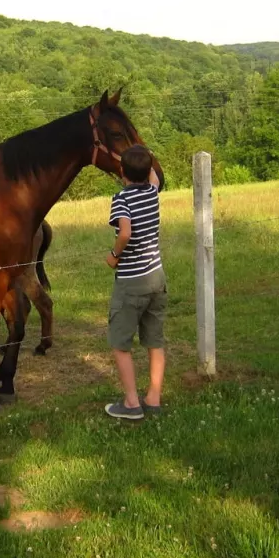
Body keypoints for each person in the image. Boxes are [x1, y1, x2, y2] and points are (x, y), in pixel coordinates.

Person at [103, 144, 165, 420]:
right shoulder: (153, 192)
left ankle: (131, 404)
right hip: (156, 276)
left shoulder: (121, 199)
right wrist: (149, 155)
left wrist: (114, 255)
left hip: (131, 280)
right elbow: (154, 176)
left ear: (121, 172)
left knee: (120, 344)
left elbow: (125, 232)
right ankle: (153, 398)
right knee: (154, 341)